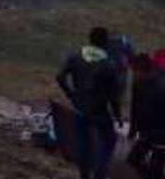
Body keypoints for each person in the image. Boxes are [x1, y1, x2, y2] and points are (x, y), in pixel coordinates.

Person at [57, 27, 123, 179]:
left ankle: (84, 174)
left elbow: (60, 77)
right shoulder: (108, 64)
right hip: (99, 110)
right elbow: (114, 95)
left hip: (80, 106)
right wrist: (117, 115)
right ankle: (99, 173)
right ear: (105, 42)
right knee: (109, 140)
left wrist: (70, 94)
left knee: (84, 142)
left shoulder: (76, 56)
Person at [127, 54, 165, 177]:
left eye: (134, 71)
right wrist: (133, 129)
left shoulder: (161, 84)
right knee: (133, 160)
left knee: (156, 167)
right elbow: (135, 106)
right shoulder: (138, 83)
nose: (133, 74)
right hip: (147, 131)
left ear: (141, 70)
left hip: (160, 132)